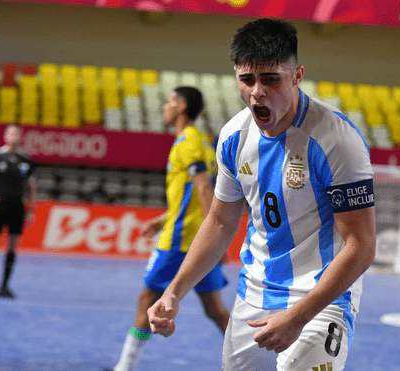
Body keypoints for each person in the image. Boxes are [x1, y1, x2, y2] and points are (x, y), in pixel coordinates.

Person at [147, 18, 377, 371]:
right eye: (247, 79)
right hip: (253, 295)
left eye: (271, 79)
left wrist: (299, 316)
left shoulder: (336, 140)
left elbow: (361, 245)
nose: (257, 92)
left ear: (297, 75)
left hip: (319, 300)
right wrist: (174, 291)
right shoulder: (233, 137)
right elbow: (221, 222)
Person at [106, 87, 231, 371]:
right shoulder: (203, 141)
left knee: (147, 299)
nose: (165, 106)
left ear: (182, 106)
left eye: (170, 101)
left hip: (180, 240)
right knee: (215, 310)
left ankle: (124, 367)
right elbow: (191, 198)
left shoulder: (187, 143)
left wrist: (219, 233)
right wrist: (163, 219)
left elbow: (203, 188)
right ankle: (251, 362)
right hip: (199, 238)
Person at [0, 123, 36, 299]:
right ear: (5, 136)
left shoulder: (26, 160)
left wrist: (31, 211)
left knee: (12, 247)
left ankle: (4, 286)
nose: (13, 136)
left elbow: (32, 188)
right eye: (10, 133)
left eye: (16, 134)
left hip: (17, 207)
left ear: (21, 136)